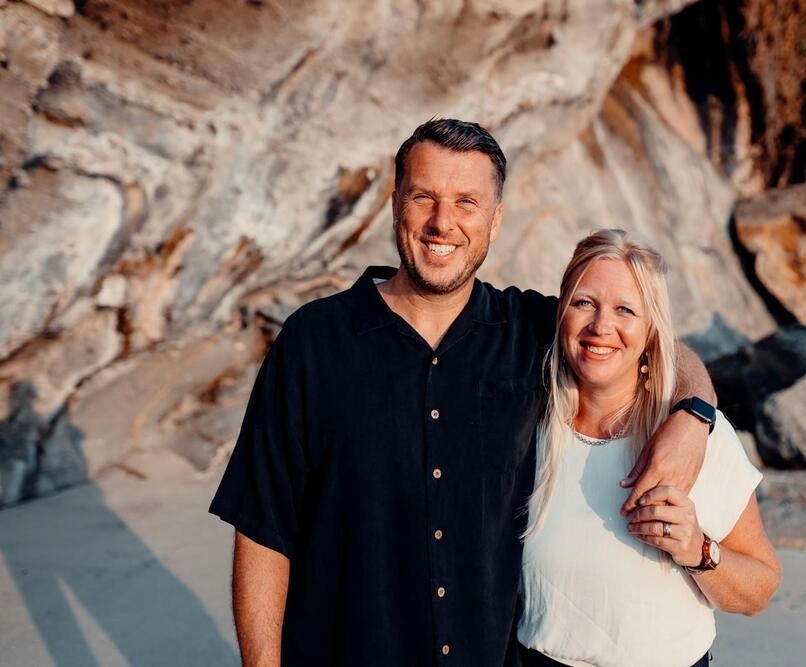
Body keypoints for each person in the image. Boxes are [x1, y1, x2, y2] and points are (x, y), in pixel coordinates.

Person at [209, 120, 720, 666]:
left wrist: (692, 416)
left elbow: (650, 344)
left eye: (467, 202)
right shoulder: (314, 342)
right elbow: (264, 529)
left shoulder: (529, 331)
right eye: (423, 197)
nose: (442, 223)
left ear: (495, 221)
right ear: (394, 205)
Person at [517, 229, 781, 667]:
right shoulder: (527, 421)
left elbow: (760, 590)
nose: (601, 327)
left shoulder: (692, 438)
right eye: (584, 303)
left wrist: (697, 548)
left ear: (650, 330)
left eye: (625, 310)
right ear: (561, 312)